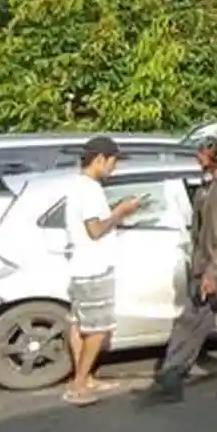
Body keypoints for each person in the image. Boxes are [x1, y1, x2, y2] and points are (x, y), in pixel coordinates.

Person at [141, 121, 217, 406]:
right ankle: (172, 376)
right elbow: (200, 232)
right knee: (192, 320)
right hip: (205, 266)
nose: (197, 155)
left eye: (202, 149)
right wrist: (199, 268)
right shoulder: (207, 185)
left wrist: (214, 272)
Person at [62, 136, 140, 406]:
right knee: (98, 329)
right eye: (112, 162)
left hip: (81, 267)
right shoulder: (90, 189)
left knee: (80, 324)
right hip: (95, 268)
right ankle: (79, 384)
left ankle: (85, 377)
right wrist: (121, 211)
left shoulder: (76, 185)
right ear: (99, 159)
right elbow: (95, 230)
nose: (113, 168)